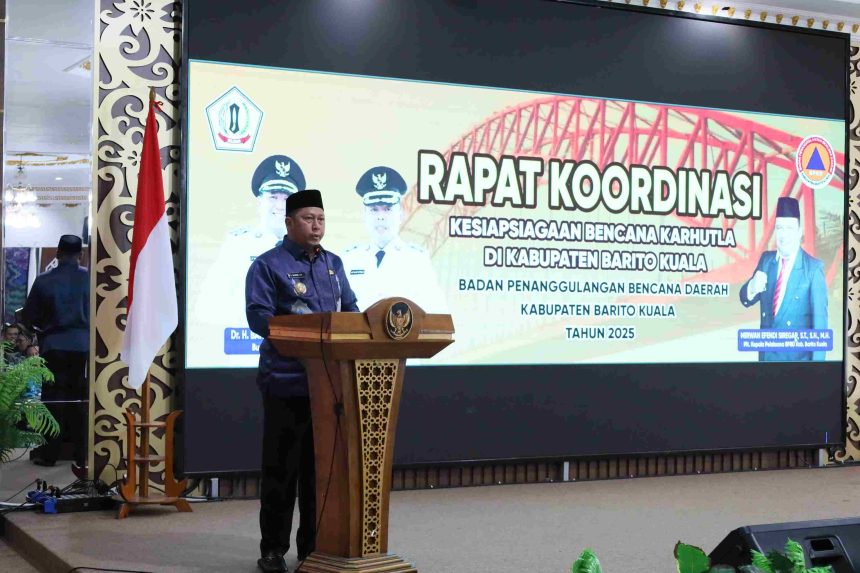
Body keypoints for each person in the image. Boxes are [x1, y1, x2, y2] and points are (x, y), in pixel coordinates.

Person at [245, 189, 358, 572]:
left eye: (321, 219)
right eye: (309, 219)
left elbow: (352, 311)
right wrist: (304, 332)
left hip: (330, 388)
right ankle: (273, 550)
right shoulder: (268, 265)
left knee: (319, 474)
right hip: (286, 383)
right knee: (281, 472)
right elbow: (259, 317)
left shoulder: (334, 264)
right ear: (290, 222)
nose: (316, 226)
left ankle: (312, 547)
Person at [196, 155, 307, 341]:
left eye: (287, 198)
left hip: (298, 353)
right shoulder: (238, 246)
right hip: (247, 348)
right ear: (259, 201)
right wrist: (257, 318)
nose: (279, 206)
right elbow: (206, 307)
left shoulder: (313, 251)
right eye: (272, 197)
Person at [21, 234, 89, 467]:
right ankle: (82, 455)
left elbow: (29, 317)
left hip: (53, 345)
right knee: (80, 398)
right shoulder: (91, 278)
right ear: (80, 254)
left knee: (52, 400)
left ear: (58, 254)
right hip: (84, 347)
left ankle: (50, 455)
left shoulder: (43, 280)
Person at [342, 166, 447, 312]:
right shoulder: (349, 260)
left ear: (401, 214)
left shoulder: (417, 260)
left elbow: (435, 313)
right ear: (364, 215)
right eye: (374, 209)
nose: (380, 216)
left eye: (387, 209)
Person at [739, 196, 828, 361]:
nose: (783, 234)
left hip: (797, 371)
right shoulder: (766, 260)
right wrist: (752, 287)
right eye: (779, 228)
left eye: (789, 228)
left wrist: (816, 374)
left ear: (799, 232)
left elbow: (820, 331)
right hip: (765, 364)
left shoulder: (813, 270)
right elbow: (745, 299)